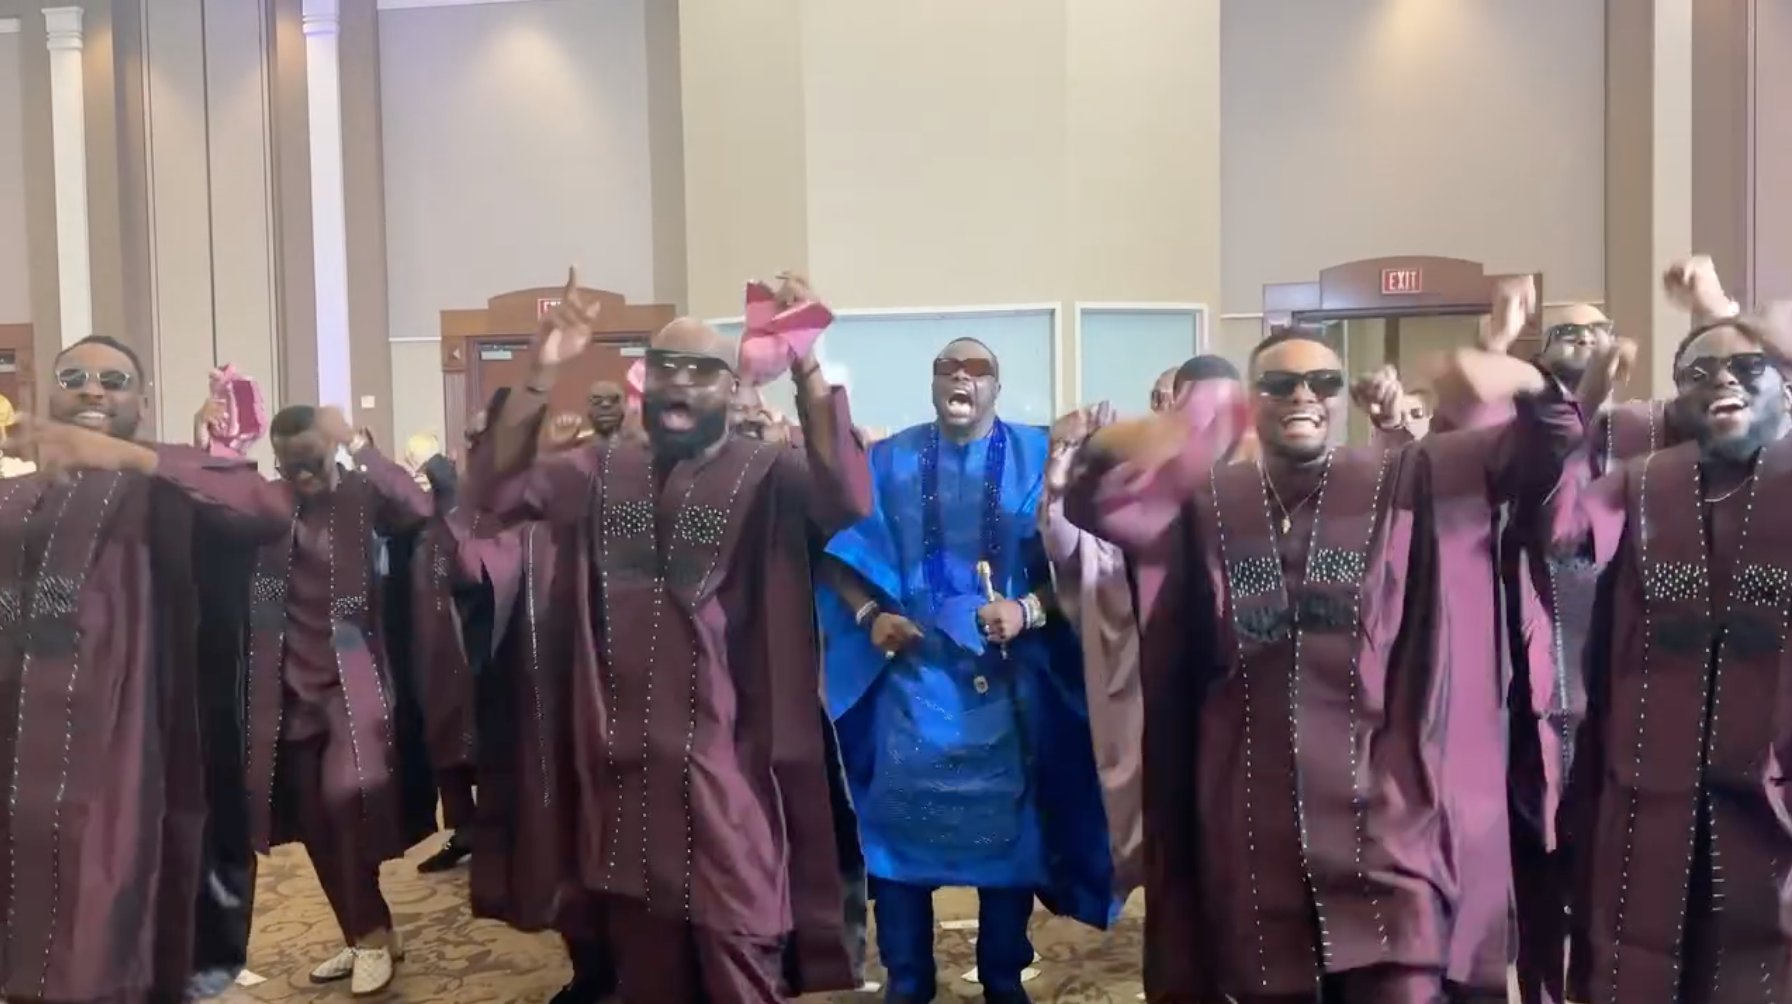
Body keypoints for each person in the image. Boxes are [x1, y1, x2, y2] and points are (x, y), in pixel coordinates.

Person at [1064, 285, 1588, 1004]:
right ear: (1254, 400)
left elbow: (1545, 451)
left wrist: (1523, 375)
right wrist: (1135, 439)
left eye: (1322, 382)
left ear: (1342, 398)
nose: (1302, 395)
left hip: (1388, 830)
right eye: (1279, 383)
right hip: (1252, 831)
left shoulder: (1409, 478)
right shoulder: (1211, 502)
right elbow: (1098, 501)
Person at [472, 267, 871, 1003]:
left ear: (733, 386)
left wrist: (807, 362)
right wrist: (543, 370)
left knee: (736, 948)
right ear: (642, 381)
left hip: (727, 764)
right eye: (664, 369)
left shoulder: (767, 471)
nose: (679, 385)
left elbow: (845, 496)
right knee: (645, 964)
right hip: (617, 765)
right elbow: (495, 492)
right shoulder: (601, 468)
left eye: (700, 372)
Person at [820, 337, 1115, 1004]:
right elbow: (835, 554)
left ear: (997, 386)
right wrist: (871, 617)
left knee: (1006, 852)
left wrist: (1027, 609)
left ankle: (1004, 978)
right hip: (910, 697)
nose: (960, 378)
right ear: (932, 384)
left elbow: (1094, 567)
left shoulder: (1042, 457)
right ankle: (908, 981)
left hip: (1009, 701)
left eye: (975, 368)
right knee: (895, 853)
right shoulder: (888, 460)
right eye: (947, 368)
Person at [0, 335, 292, 1003]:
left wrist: (131, 457)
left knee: (108, 937)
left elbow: (263, 511)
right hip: (19, 762)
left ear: (142, 401)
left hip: (127, 761)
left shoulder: (167, 493)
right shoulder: (15, 505)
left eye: (114, 380)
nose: (93, 390)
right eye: (74, 377)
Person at [1502, 259, 1741, 1004]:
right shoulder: (1526, 435)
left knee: (1636, 895)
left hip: (1637, 694)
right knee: (1540, 886)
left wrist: (1709, 307)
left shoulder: (1656, 428)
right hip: (1537, 697)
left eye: (1592, 329)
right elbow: (1542, 496)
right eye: (1562, 331)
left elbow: (1737, 397)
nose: (1579, 339)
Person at [1540, 310, 1792, 1004]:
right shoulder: (1646, 481)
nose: (1721, 382)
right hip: (1655, 801)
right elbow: (1566, 536)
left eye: (1746, 368)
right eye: (1698, 373)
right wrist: (1584, 408)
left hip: (1773, 809)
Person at [245, 403, 437, 994]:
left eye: (310, 458)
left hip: (353, 678)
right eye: (287, 462)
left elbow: (418, 507)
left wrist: (358, 441)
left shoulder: (362, 495)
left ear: (328, 448)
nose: (300, 472)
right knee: (316, 824)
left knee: (346, 803)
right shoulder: (272, 504)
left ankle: (372, 934)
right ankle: (366, 932)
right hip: (283, 686)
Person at [586, 379, 628, 444]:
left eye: (614, 400)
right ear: (588, 411)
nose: (605, 404)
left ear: (625, 407)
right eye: (597, 401)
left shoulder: (643, 446)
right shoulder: (575, 448)